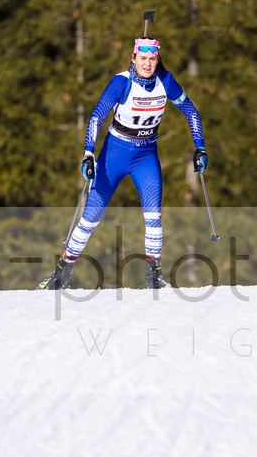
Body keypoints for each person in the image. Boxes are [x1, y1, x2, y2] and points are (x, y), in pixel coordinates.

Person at [38, 34, 208, 290]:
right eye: (143, 59)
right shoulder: (121, 82)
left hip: (146, 155)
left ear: (157, 59)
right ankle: (62, 272)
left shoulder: (166, 81)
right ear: (133, 58)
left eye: (152, 59)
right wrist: (88, 153)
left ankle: (154, 277)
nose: (148, 64)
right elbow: (96, 116)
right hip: (115, 153)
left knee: (153, 216)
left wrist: (200, 147)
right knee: (91, 216)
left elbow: (191, 111)